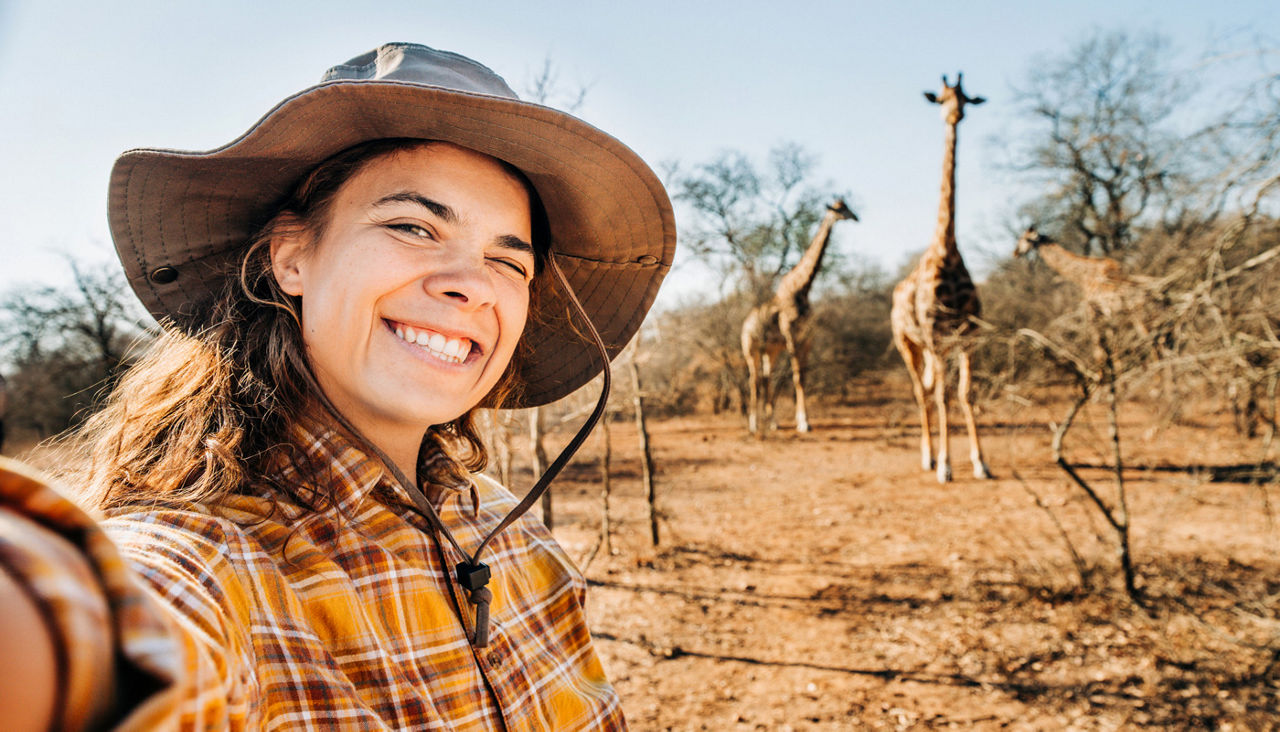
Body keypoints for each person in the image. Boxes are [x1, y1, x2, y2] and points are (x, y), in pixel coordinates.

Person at [0, 42, 675, 731]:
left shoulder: (523, 546)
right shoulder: (214, 567)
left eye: (508, 260)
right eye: (413, 226)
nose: (470, 284)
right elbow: (105, 637)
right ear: (291, 256)